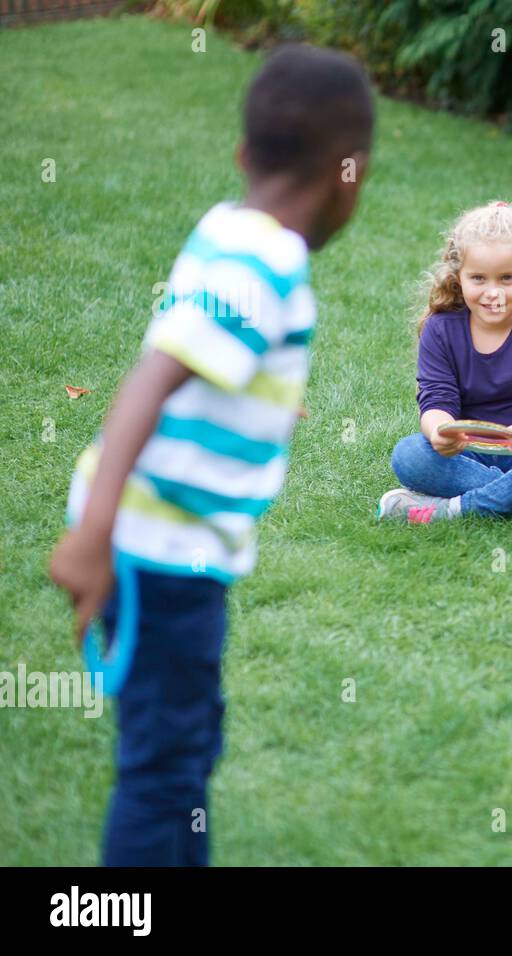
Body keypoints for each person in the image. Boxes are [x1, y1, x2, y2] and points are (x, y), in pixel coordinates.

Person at [47, 44, 375, 866]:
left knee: (184, 747)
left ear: (242, 155)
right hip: (161, 551)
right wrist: (94, 541)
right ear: (349, 174)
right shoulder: (267, 261)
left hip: (156, 542)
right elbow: (151, 379)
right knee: (163, 773)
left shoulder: (228, 231)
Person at [378, 201, 512, 524]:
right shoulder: (441, 329)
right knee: (410, 456)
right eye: (478, 278)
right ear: (459, 277)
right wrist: (439, 431)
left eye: (507, 278)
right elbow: (436, 401)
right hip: (466, 454)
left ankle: (452, 510)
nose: (493, 292)